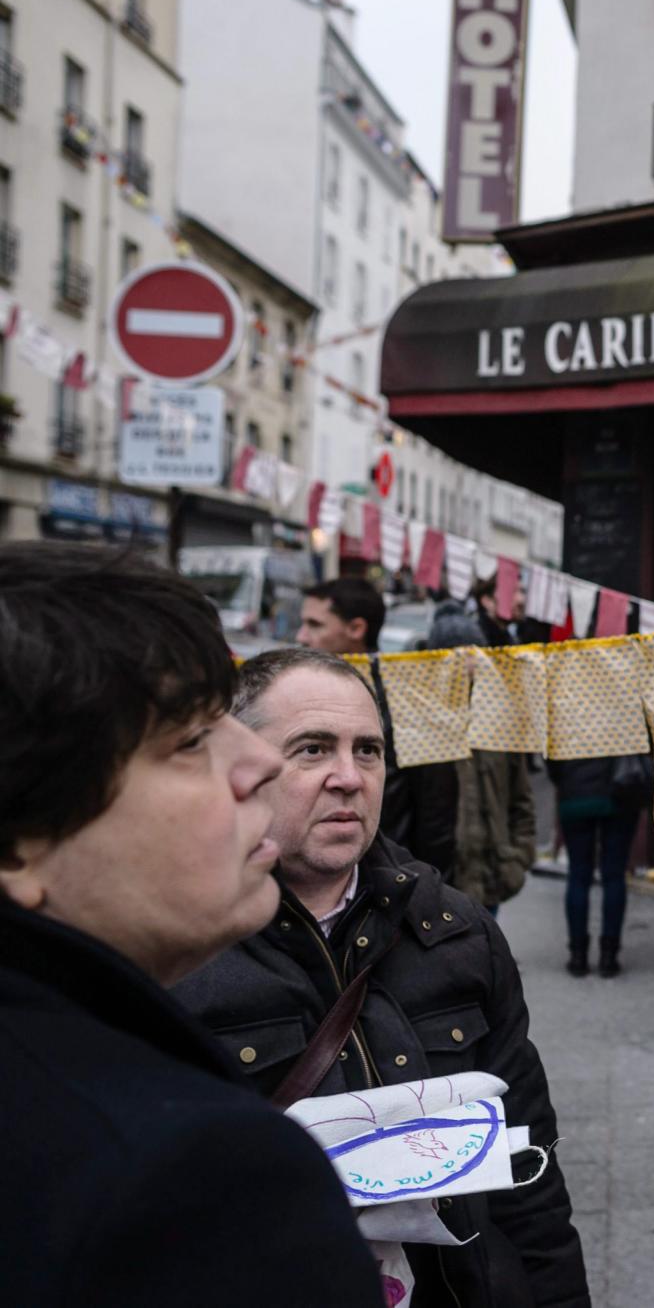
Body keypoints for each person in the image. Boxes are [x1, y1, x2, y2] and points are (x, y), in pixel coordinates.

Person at [0, 544, 381, 1304]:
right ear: (18, 845)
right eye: (190, 738)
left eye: (368, 751)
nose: (261, 766)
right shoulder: (191, 1175)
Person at [174, 647, 589, 1308]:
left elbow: (529, 1172)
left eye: (367, 751)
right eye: (312, 749)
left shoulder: (457, 930)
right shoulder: (173, 951)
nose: (348, 776)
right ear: (240, 766)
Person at [296, 575, 460, 883]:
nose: (301, 636)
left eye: (315, 625)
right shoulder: (291, 697)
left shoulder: (412, 702)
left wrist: (427, 904)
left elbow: (436, 816)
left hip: (386, 885)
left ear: (356, 629)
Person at [428, 605, 537, 917]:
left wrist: (518, 857)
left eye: (474, 653)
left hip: (492, 878)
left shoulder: (500, 718)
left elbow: (522, 799)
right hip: (437, 882)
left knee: (485, 961)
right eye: (457, 654)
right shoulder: (420, 724)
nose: (469, 664)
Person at [546, 754, 644, 976]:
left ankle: (577, 956)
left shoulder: (565, 717)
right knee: (614, 875)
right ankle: (609, 956)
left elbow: (550, 756)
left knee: (578, 874)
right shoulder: (629, 717)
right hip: (621, 792)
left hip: (574, 794)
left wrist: (565, 780)